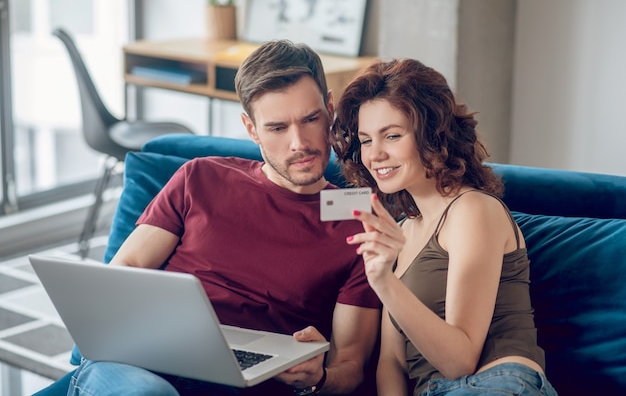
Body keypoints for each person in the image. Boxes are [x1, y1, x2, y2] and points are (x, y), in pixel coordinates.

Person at [60, 40, 381, 396]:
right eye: (277, 128)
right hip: (143, 363)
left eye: (310, 119)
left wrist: (318, 377)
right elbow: (127, 269)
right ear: (251, 128)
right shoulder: (199, 177)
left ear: (330, 109)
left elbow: (350, 366)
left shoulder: (361, 219)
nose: (298, 143)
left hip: (247, 382)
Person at [330, 58, 559, 396]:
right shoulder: (402, 232)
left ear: (433, 135)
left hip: (497, 382)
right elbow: (392, 361)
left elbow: (460, 361)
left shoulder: (472, 210)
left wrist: (384, 282)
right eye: (365, 140)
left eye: (391, 136)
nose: (375, 154)